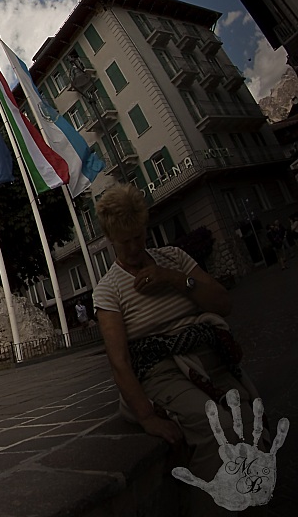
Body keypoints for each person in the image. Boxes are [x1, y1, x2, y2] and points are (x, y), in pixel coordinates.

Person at [92, 183, 269, 515]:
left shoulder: (173, 258)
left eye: (139, 237)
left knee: (249, 424)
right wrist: (146, 415)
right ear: (110, 239)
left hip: (208, 357)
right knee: (218, 428)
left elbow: (223, 302)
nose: (133, 247)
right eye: (124, 240)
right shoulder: (108, 290)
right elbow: (118, 360)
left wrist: (174, 279)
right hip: (163, 371)